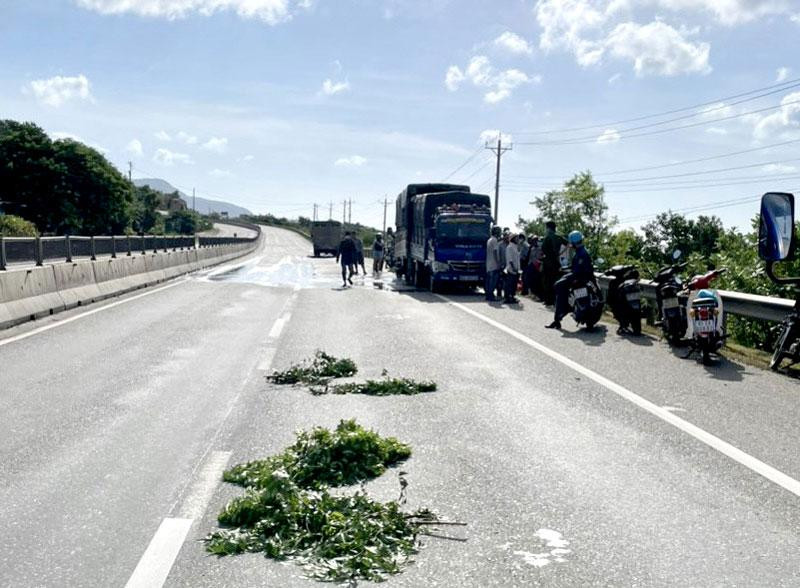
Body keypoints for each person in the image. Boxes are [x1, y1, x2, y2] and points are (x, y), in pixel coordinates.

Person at [546, 230, 594, 329]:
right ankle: (564, 312)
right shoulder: (583, 251)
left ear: (574, 242)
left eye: (571, 242)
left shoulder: (580, 253)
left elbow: (577, 270)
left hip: (578, 277)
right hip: (584, 278)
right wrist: (567, 268)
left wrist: (570, 272)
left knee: (558, 285)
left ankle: (559, 316)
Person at [541, 221, 566, 306]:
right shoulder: (559, 237)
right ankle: (555, 299)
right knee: (555, 281)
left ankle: (548, 300)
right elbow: (569, 244)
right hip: (556, 262)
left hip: (548, 262)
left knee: (547, 281)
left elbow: (543, 249)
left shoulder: (547, 238)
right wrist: (560, 253)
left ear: (548, 228)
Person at [485, 226, 502, 301]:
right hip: (494, 264)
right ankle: (491, 296)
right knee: (493, 282)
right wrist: (498, 263)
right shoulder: (494, 240)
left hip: (489, 265)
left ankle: (488, 295)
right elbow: (495, 252)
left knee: (489, 281)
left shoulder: (489, 240)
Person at [504, 234, 521, 304]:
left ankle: (512, 297)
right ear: (513, 239)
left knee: (514, 284)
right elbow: (510, 259)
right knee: (509, 284)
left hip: (516, 269)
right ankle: (508, 297)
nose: (518, 240)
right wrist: (513, 267)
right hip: (511, 269)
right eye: (516, 238)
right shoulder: (509, 247)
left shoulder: (515, 247)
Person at [496, 229, 510, 299]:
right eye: (506, 236)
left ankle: (507, 294)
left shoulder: (510, 245)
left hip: (508, 265)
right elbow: (498, 255)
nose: (507, 238)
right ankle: (499, 294)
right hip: (502, 265)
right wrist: (499, 264)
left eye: (508, 236)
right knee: (500, 281)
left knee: (507, 281)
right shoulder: (500, 244)